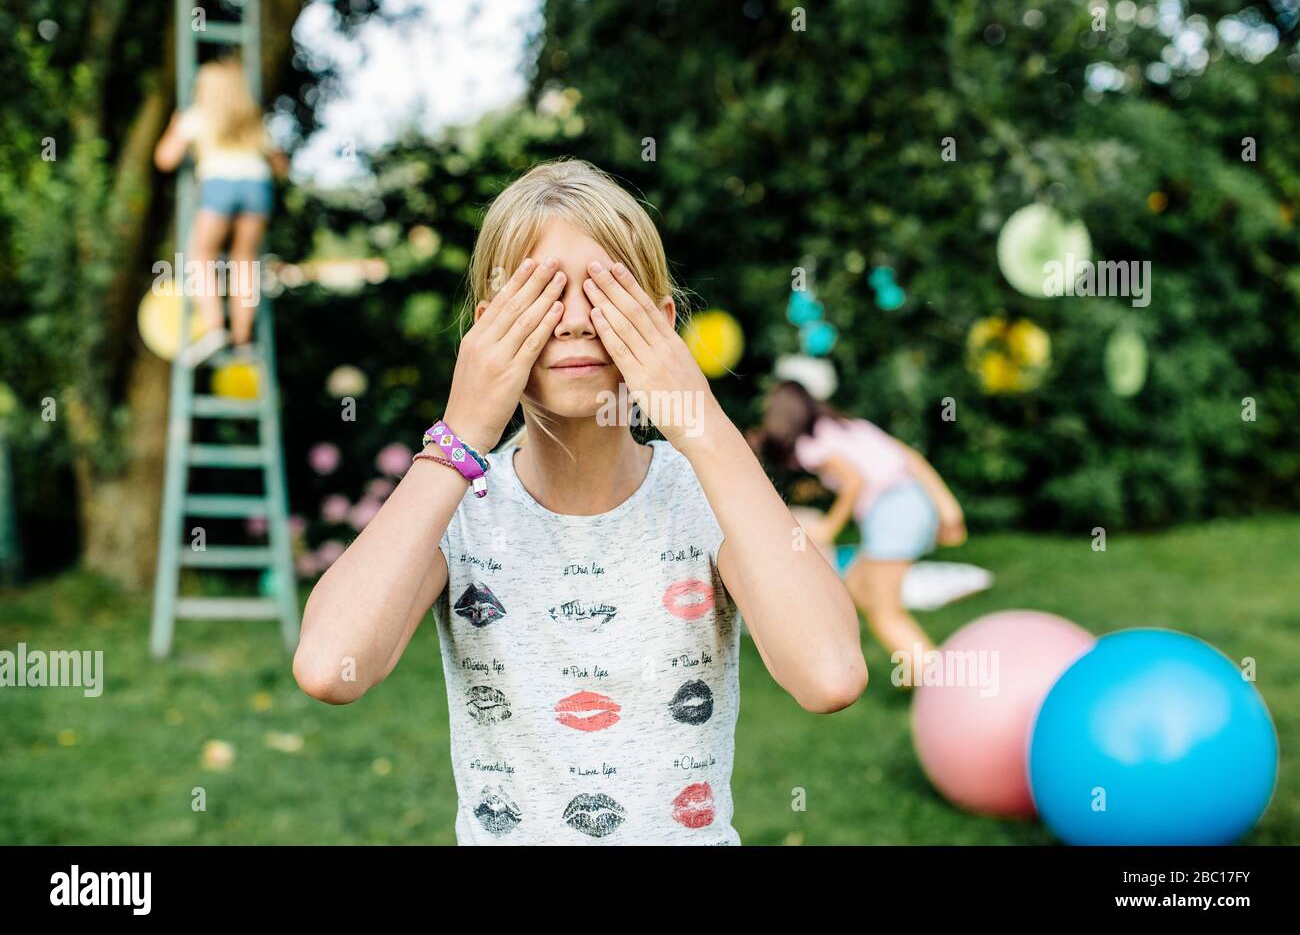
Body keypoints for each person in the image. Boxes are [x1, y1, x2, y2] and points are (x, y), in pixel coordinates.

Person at [293, 159, 867, 845]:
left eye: (601, 292)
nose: (570, 322)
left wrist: (699, 419)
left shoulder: (708, 496)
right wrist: (460, 434)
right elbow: (331, 666)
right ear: (486, 332)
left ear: (659, 322)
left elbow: (830, 676)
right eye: (539, 294)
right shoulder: (456, 505)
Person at [752, 381, 967, 676]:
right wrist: (947, 509)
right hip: (913, 501)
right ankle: (914, 664)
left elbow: (854, 482)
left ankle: (940, 679)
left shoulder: (809, 444)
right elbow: (911, 459)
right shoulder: (850, 427)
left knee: (884, 612)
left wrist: (829, 527)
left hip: (893, 512)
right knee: (856, 586)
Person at [153, 56, 289, 366]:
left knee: (201, 255)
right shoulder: (252, 121)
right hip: (257, 184)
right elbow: (281, 165)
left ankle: (214, 328)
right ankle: (242, 340)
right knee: (244, 261)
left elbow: (164, 159)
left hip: (220, 184)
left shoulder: (197, 116)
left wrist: (176, 127)